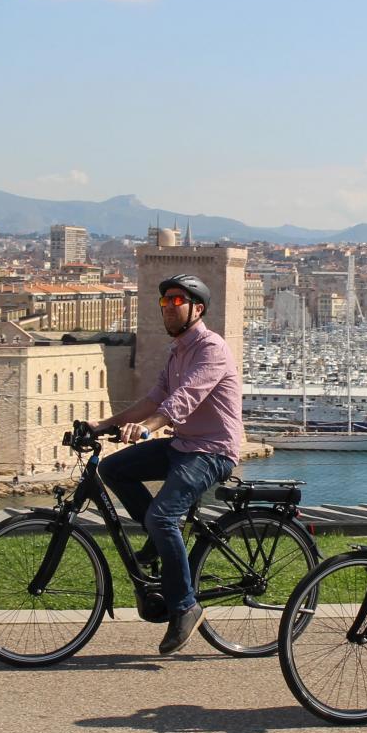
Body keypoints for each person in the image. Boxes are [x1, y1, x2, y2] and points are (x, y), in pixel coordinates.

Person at [93, 274, 243, 655]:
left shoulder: (212, 349)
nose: (169, 307)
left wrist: (147, 430)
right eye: (164, 302)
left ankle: (185, 607)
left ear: (198, 308)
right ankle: (162, 546)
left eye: (176, 301)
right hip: (182, 445)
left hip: (212, 450)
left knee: (162, 517)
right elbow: (154, 398)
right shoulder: (177, 351)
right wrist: (102, 424)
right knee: (112, 469)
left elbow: (183, 401)